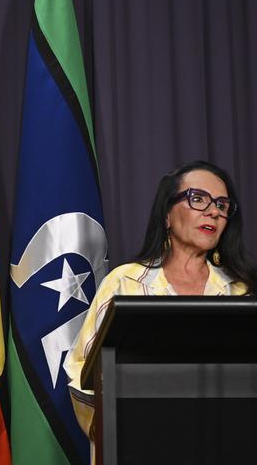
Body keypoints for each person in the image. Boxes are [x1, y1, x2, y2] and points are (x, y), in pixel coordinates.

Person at [64, 159, 256, 441]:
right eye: (198, 199)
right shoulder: (124, 283)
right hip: (140, 442)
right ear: (167, 215)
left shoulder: (243, 293)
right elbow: (82, 374)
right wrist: (121, 428)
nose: (213, 211)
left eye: (222, 205)